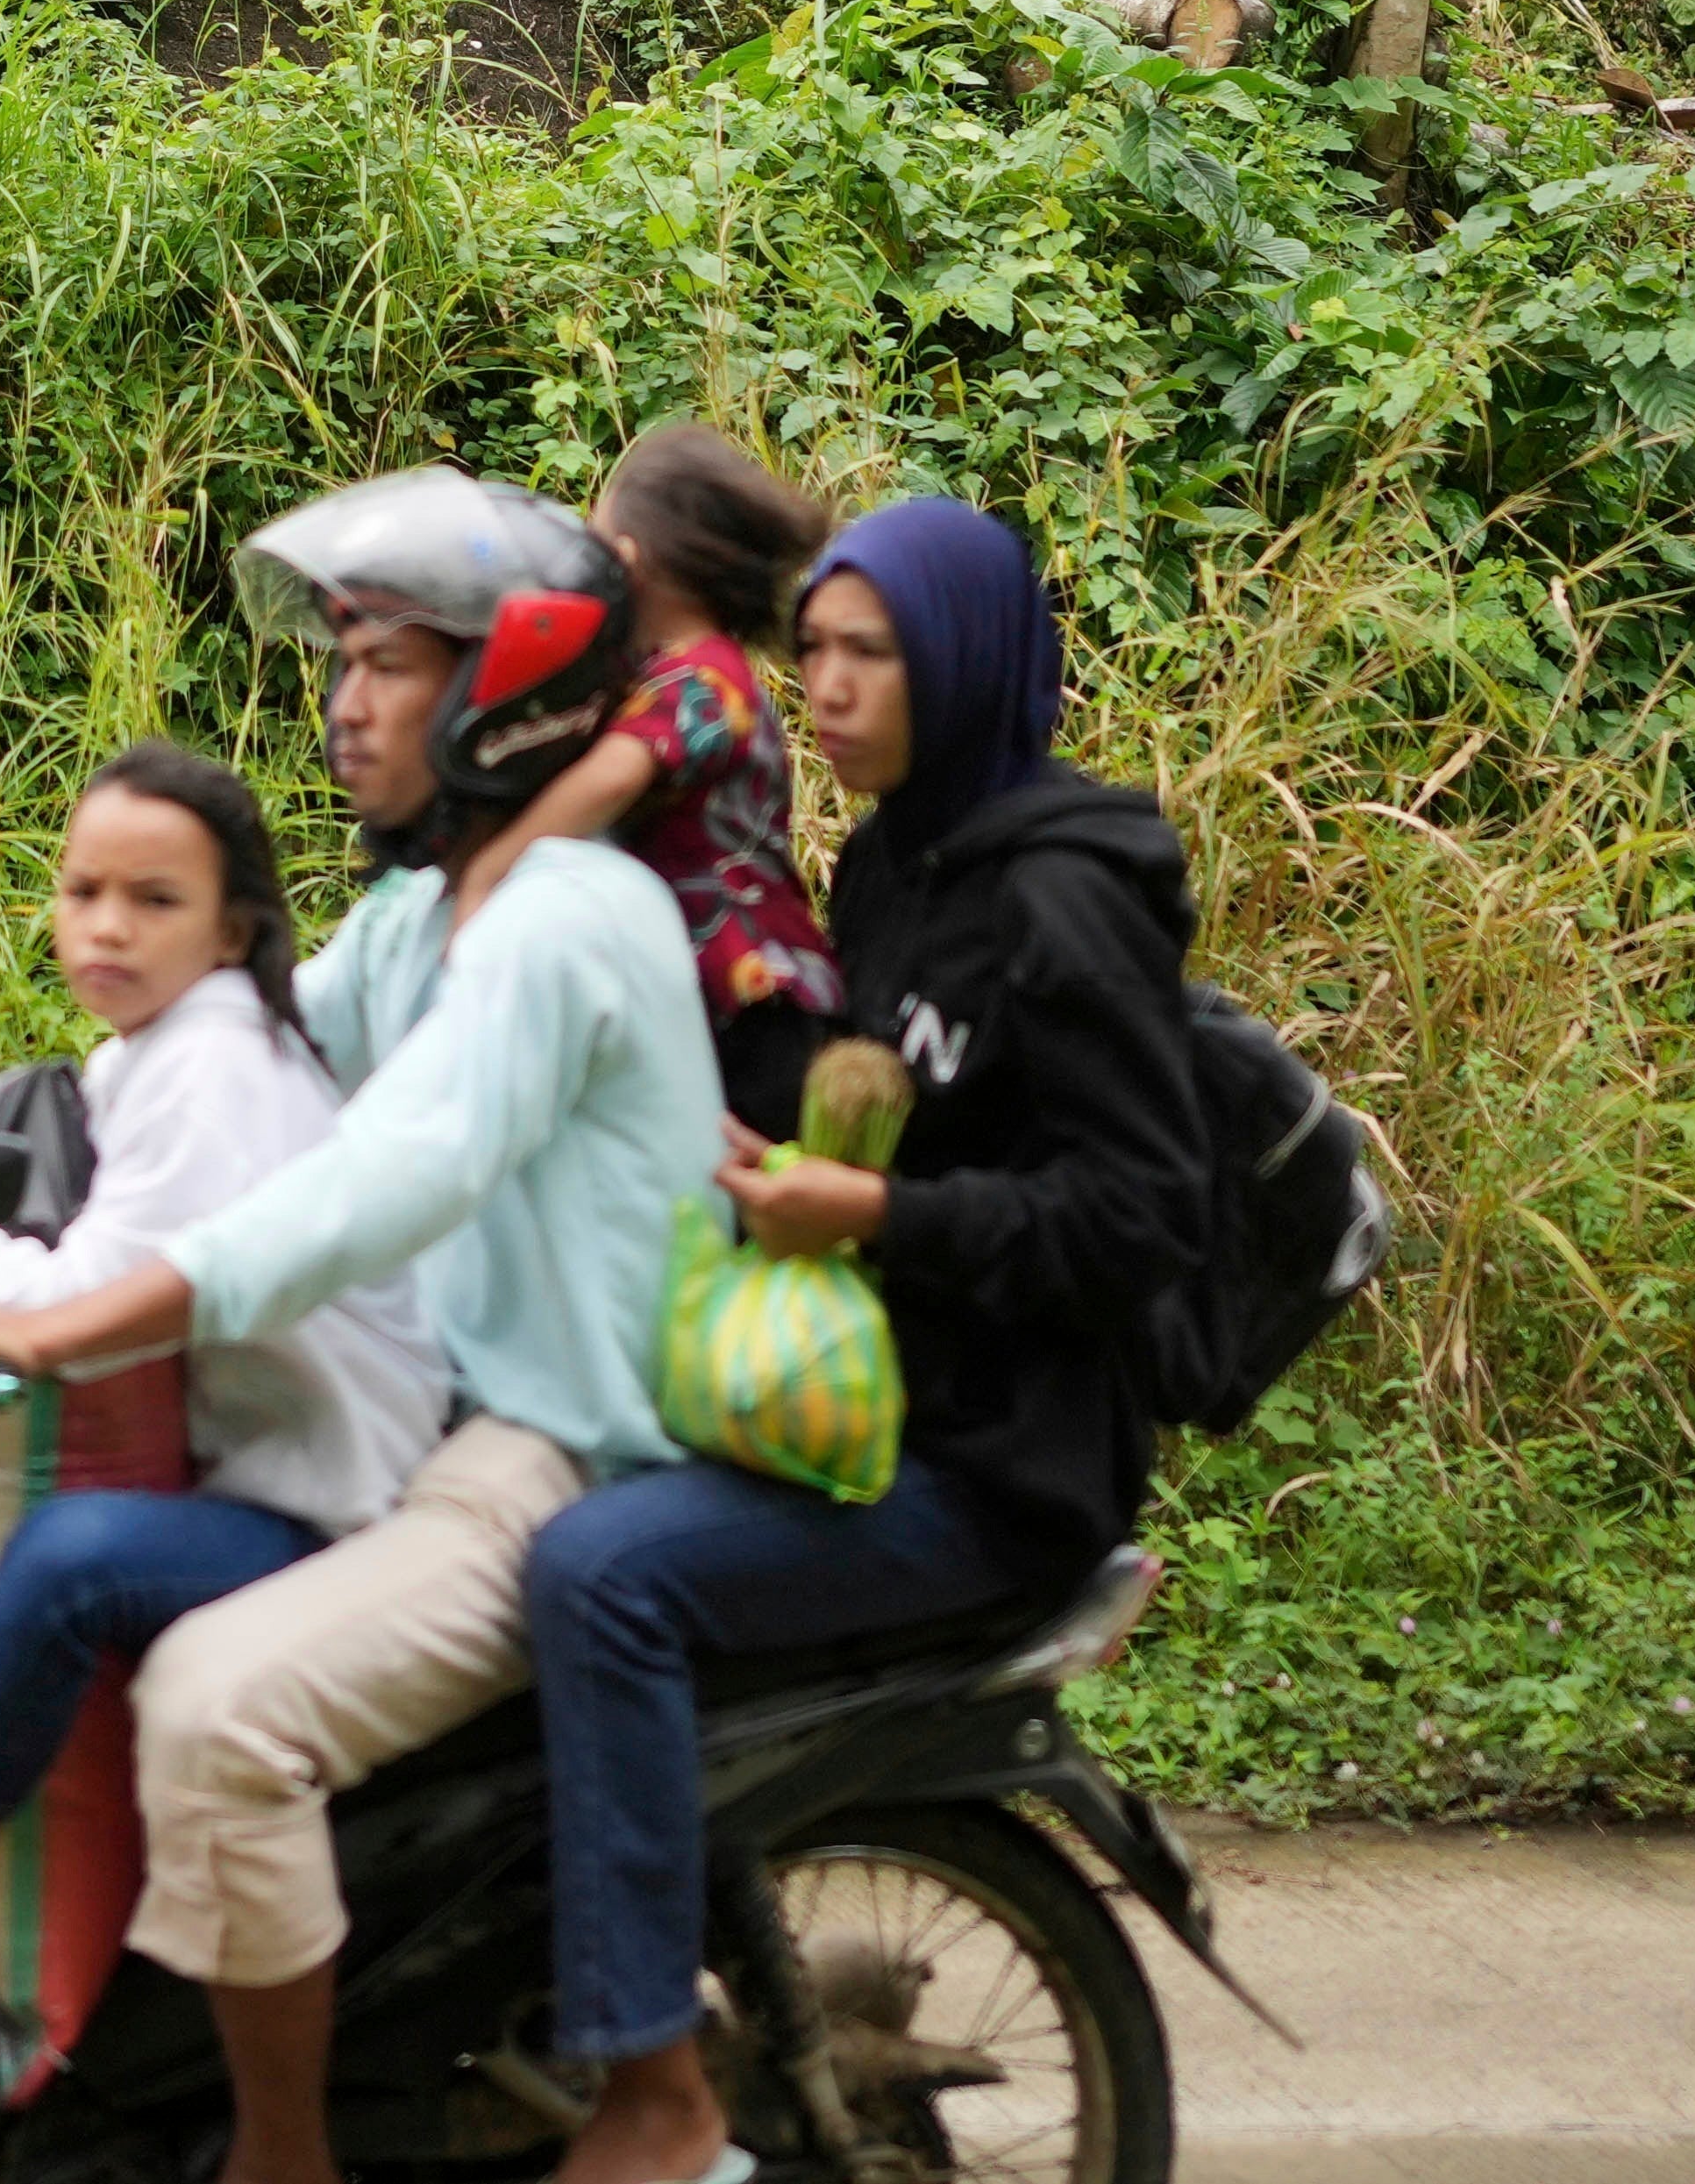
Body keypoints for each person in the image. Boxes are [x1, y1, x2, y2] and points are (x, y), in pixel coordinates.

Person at [0, 470, 723, 2184]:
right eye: (339, 661)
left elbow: (380, 1183)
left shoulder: (562, 920)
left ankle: (278, 2155)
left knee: (221, 1705)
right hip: (466, 1442)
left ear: (504, 689)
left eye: (388, 664)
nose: (345, 702)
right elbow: (210, 1041)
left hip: (558, 1460)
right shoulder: (420, 919)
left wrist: (67, 1322)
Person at [510, 495, 1220, 2184]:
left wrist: (879, 1215)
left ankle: (644, 2082)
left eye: (870, 654)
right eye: (814, 648)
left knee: (599, 1578)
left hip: (992, 1461)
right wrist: (773, 1164)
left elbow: (1141, 1214)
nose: (823, 687)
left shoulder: (1065, 895)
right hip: (875, 1395)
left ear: (960, 664)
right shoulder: (892, 860)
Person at [0, 743, 448, 2023]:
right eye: (81, 890)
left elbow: (91, 1304)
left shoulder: (215, 1066)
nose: (105, 926)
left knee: (69, 1563)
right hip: (272, 1462)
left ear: (230, 931)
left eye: (153, 900)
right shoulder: (160, 1047)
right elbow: (57, 1169)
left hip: (333, 1502)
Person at [448, 421, 844, 1138]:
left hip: (755, 1000)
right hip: (715, 998)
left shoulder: (704, 677)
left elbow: (609, 779)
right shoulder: (658, 673)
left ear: (628, 564)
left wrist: (487, 874)